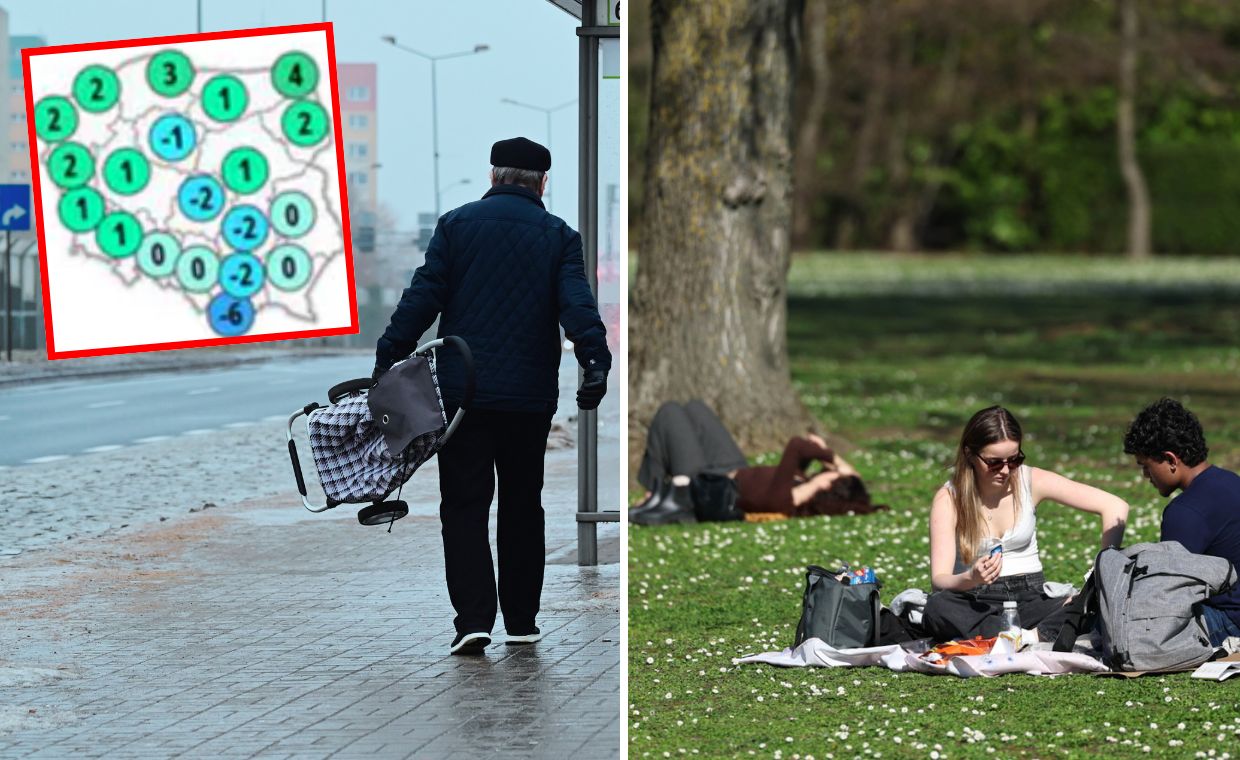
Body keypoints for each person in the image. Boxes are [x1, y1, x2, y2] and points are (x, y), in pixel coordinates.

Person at [373, 137, 611, 656]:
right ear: (542, 183)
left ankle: (473, 621)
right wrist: (594, 360)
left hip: (462, 396)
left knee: (463, 504)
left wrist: (390, 353)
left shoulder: (457, 226)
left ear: (492, 176)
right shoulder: (558, 236)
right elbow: (576, 303)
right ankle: (522, 621)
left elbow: (424, 295)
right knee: (523, 505)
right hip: (527, 399)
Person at [923, 406, 1129, 643]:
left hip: (1032, 598)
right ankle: (1033, 636)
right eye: (994, 462)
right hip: (976, 601)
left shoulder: (1030, 479)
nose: (1005, 470)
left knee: (1084, 604)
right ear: (970, 454)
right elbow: (940, 579)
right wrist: (971, 577)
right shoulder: (950, 497)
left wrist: (1101, 573)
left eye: (1014, 459)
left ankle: (1018, 637)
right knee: (938, 607)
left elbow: (1114, 506)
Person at [629, 400, 885, 525]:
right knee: (696, 408)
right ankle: (658, 492)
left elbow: (797, 445)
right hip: (733, 466)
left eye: (834, 475)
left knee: (670, 412)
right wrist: (833, 467)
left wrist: (829, 455)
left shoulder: (784, 499)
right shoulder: (797, 486)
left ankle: (658, 493)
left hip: (707, 484)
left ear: (829, 485)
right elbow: (853, 478)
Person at [1123, 398, 1240, 647]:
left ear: (1171, 460)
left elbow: (1167, 593)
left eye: (1146, 466)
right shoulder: (1232, 482)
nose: (1146, 476)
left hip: (1229, 622)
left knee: (1119, 619)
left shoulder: (1185, 512)